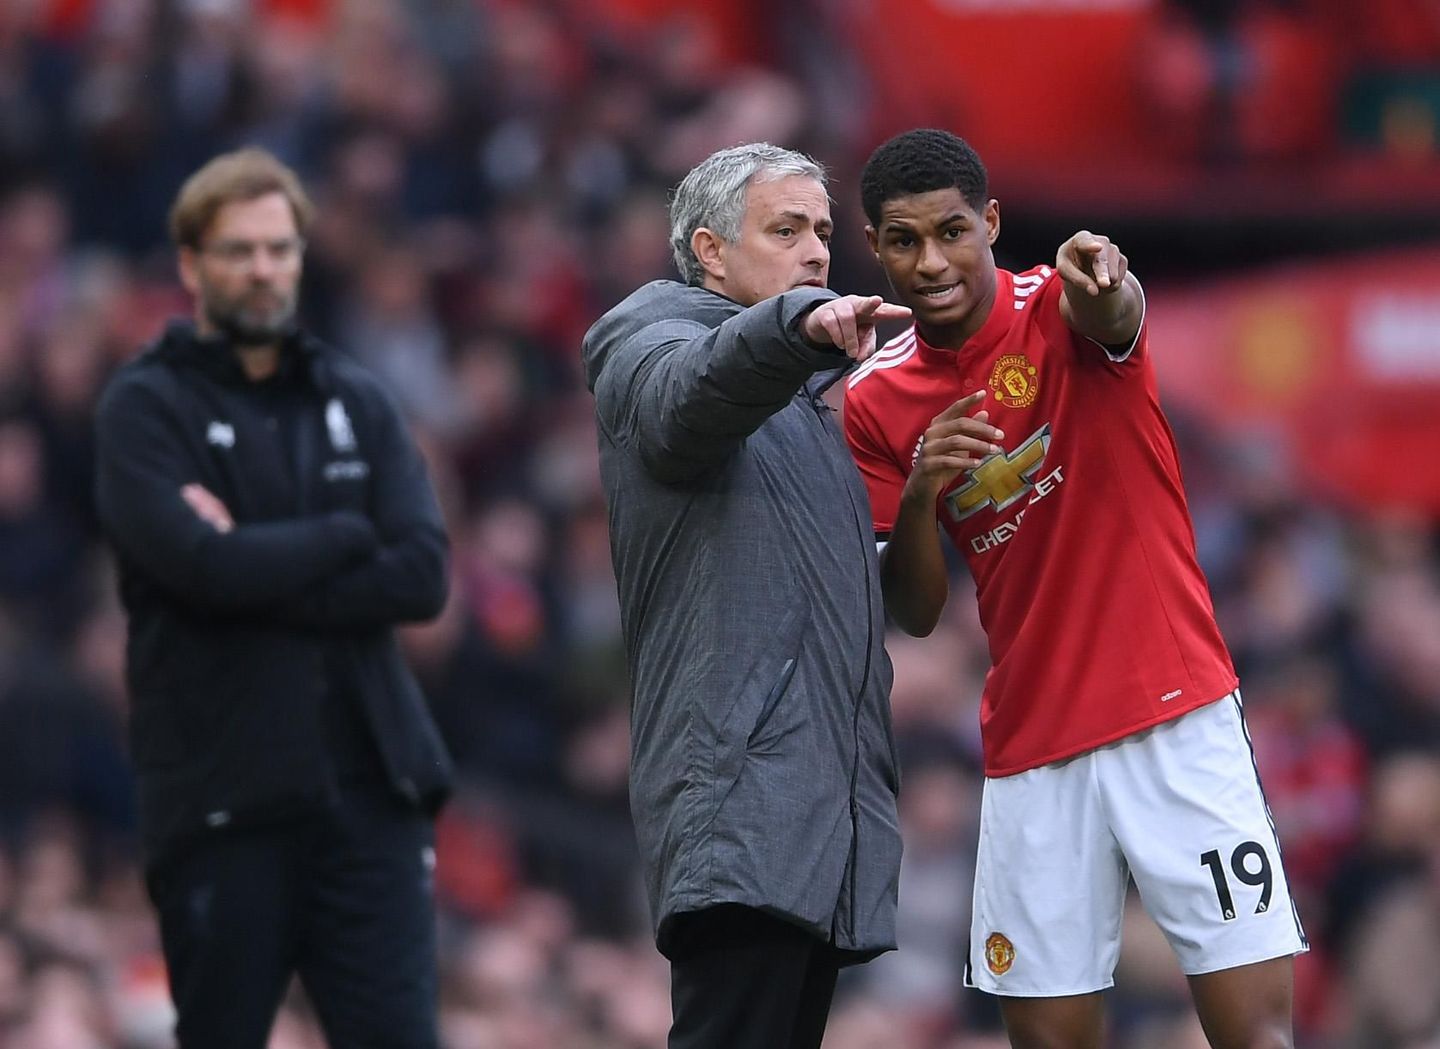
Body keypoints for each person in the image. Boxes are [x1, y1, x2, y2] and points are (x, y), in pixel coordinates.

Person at [843, 128, 1307, 1049]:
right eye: (904, 240)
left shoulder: (1061, 303)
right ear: (874, 247)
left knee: (1255, 1033)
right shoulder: (874, 401)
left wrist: (1108, 280)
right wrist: (926, 487)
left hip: (1176, 716)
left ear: (991, 222)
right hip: (1033, 747)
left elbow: (1116, 312)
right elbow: (914, 612)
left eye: (951, 231)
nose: (930, 261)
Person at [94, 148, 452, 1049]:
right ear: (191, 264)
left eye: (279, 248)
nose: (263, 269)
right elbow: (198, 567)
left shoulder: (357, 398)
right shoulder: (144, 408)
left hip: (370, 793)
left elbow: (421, 576)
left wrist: (247, 556)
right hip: (223, 797)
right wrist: (342, 533)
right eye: (238, 249)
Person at [582, 142, 909, 1049]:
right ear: (711, 250)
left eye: (824, 233)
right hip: (741, 805)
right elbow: (685, 401)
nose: (816, 252)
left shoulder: (806, 404)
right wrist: (794, 327)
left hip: (812, 817)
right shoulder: (644, 333)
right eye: (786, 229)